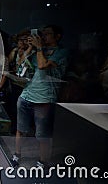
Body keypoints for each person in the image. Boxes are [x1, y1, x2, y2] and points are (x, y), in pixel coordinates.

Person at [11, 25, 68, 169]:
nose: (44, 36)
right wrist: (30, 48)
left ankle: (43, 161)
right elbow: (20, 65)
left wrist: (39, 48)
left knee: (43, 133)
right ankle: (16, 154)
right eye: (43, 34)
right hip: (27, 94)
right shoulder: (37, 51)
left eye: (48, 34)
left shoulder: (61, 52)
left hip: (44, 98)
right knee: (20, 129)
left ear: (58, 36)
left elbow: (42, 65)